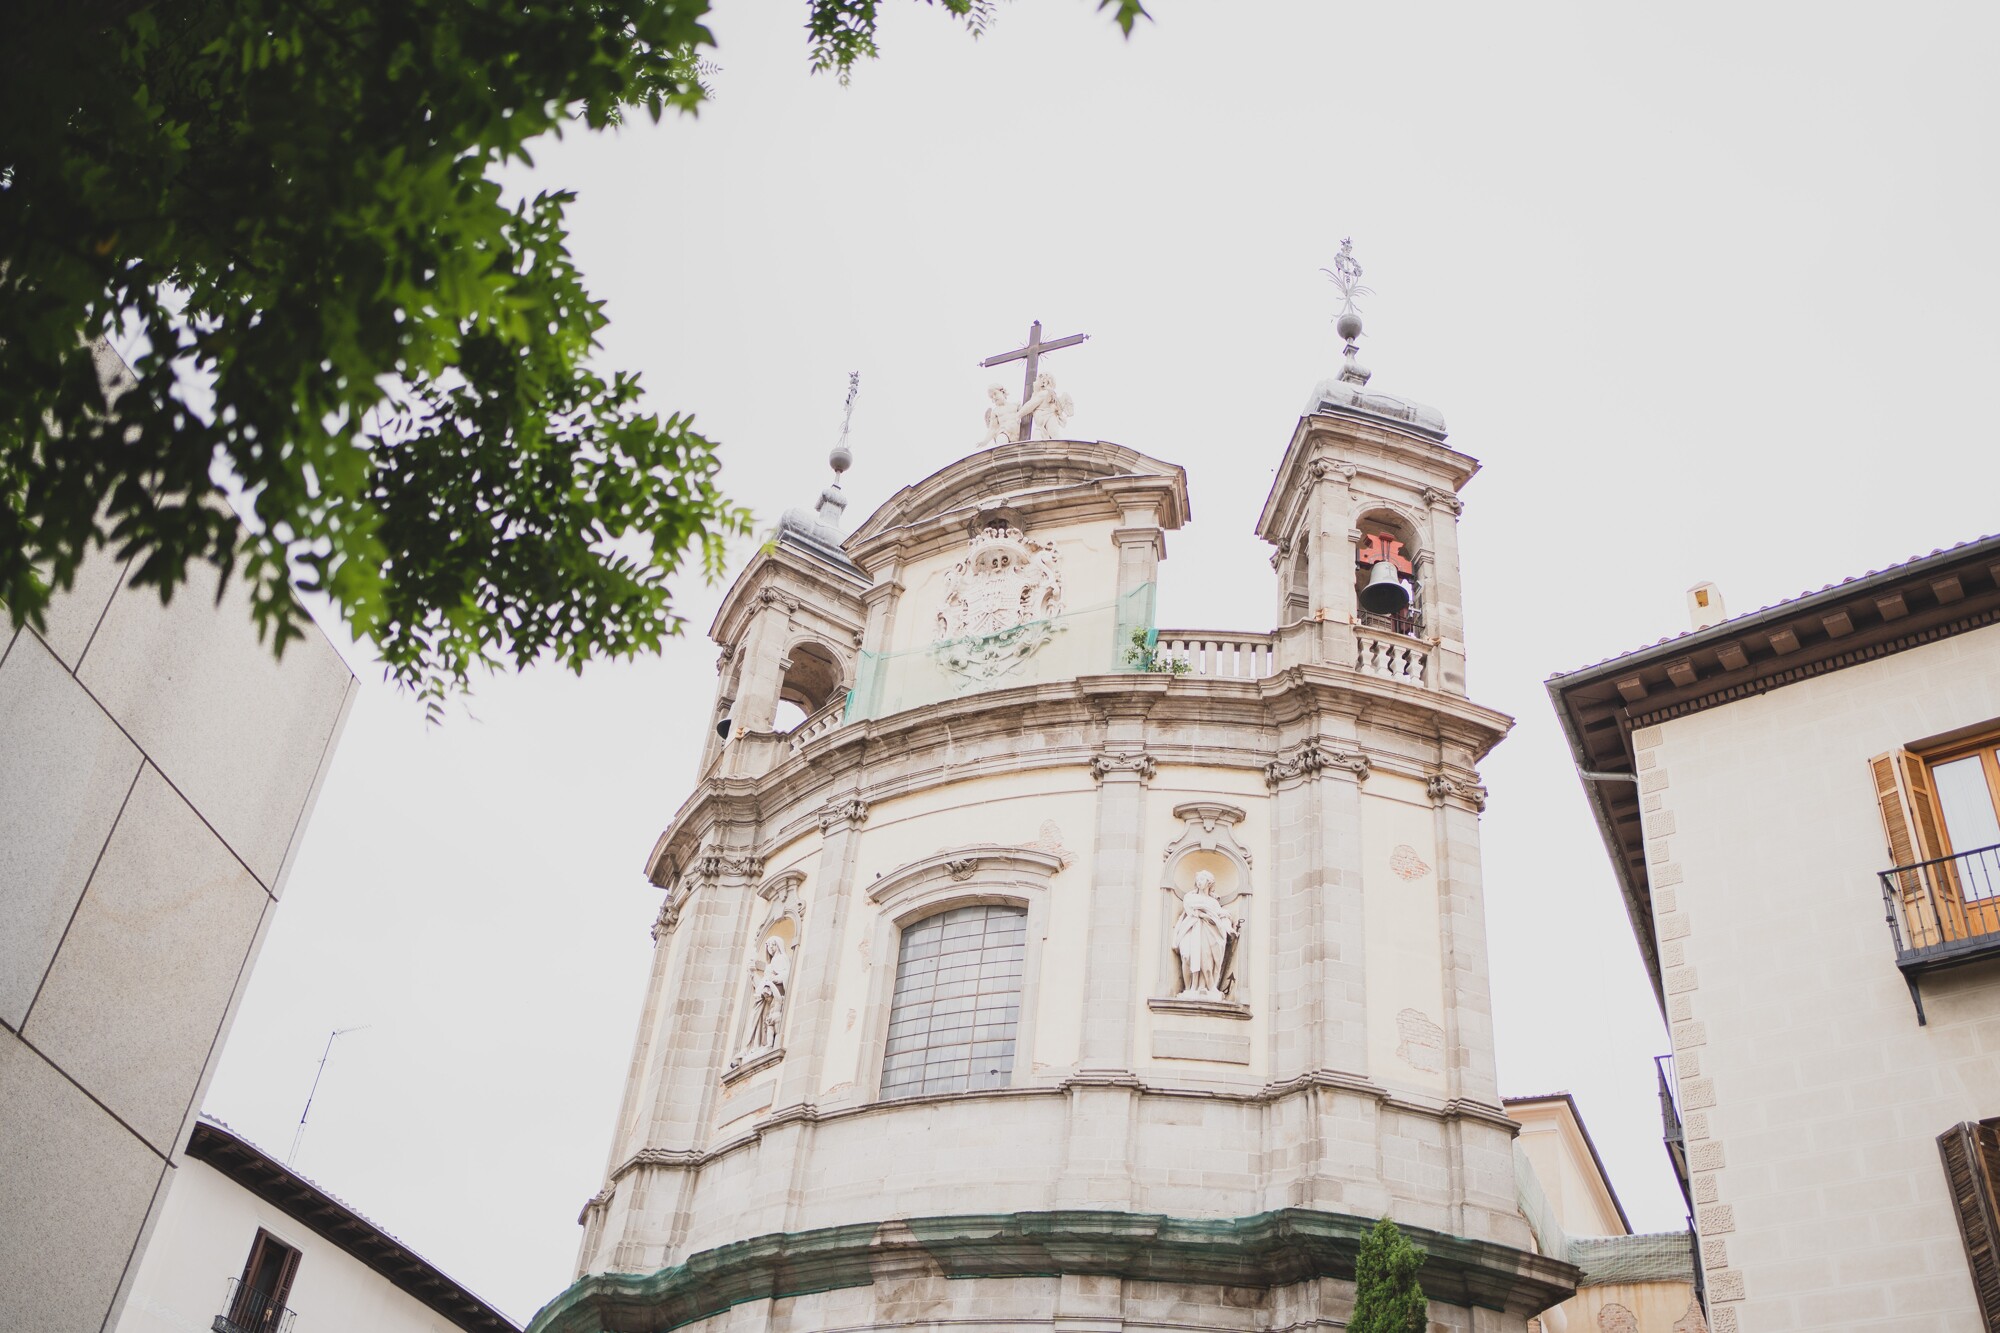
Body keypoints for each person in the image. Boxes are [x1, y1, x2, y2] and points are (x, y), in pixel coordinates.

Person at [1173, 870, 1237, 998]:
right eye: (1197, 879)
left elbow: (1223, 916)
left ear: (1209, 883)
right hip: (1191, 927)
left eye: (1202, 879)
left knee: (1206, 959)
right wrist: (1203, 915)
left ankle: (1205, 987)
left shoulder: (1213, 902)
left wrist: (1229, 929)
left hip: (1209, 932)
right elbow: (1190, 909)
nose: (1198, 882)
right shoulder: (1190, 897)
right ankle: (1189, 988)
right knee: (1187, 956)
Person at [1019, 371, 1073, 440]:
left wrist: (1018, 415)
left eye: (1037, 380)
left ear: (1044, 382)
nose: (1034, 382)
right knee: (1049, 435)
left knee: (1053, 435)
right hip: (1044, 423)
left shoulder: (1043, 393)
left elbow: (1029, 406)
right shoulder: (1043, 393)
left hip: (1048, 419)